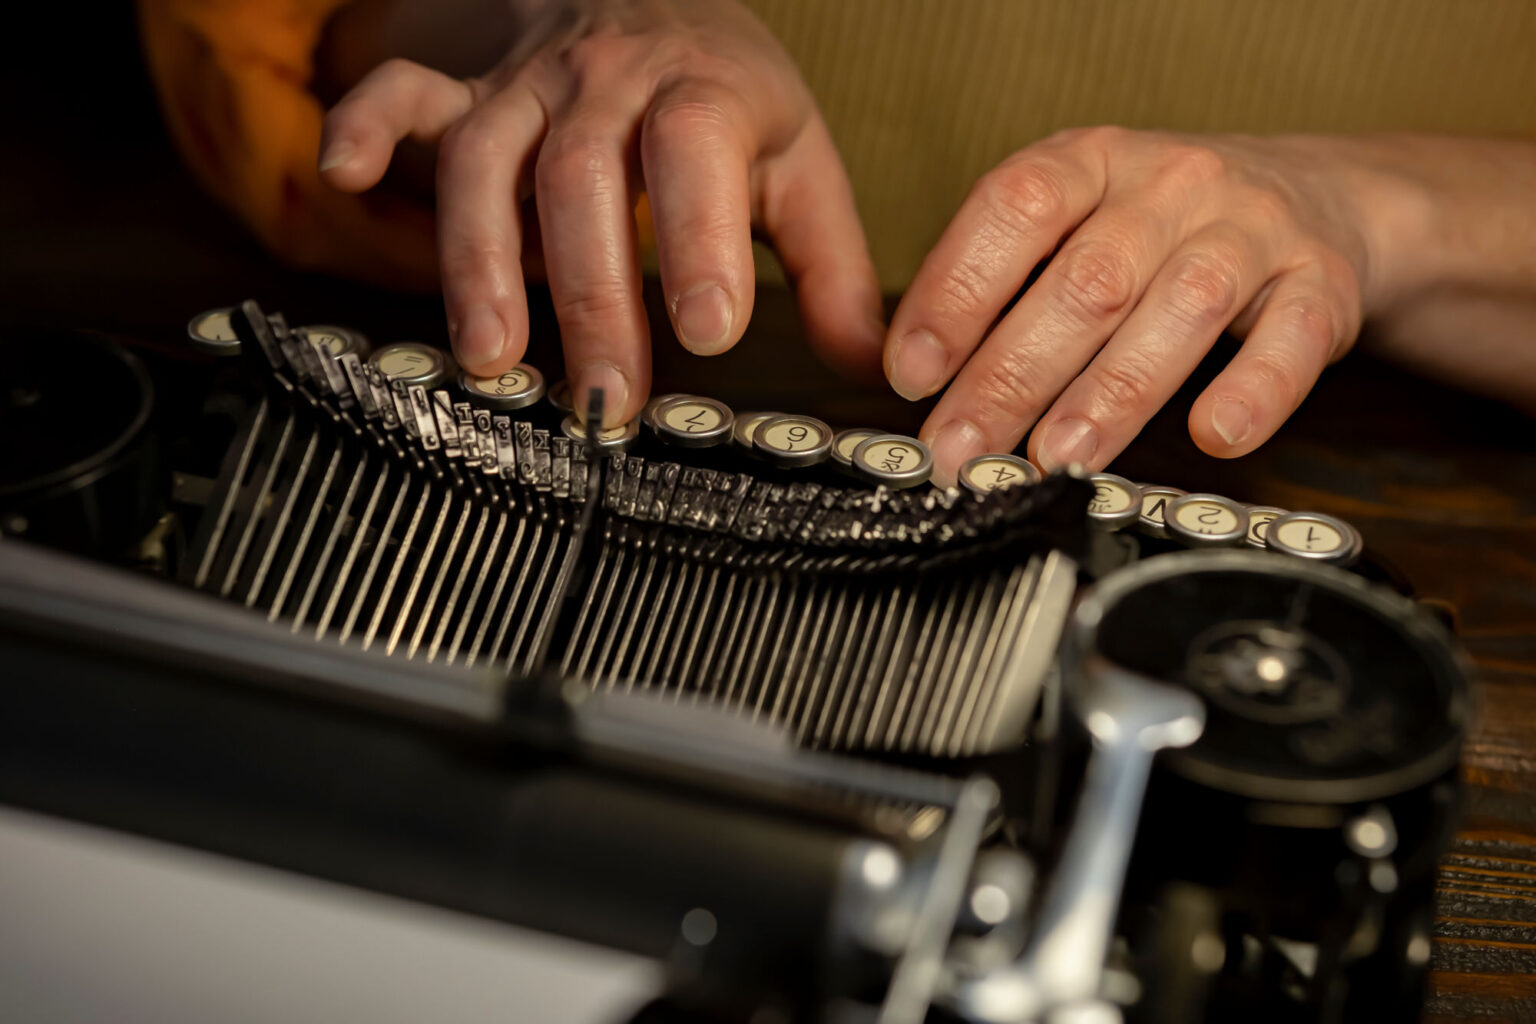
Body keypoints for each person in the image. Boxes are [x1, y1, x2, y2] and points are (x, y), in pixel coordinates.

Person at [139, 0, 1536, 485]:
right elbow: (300, 33)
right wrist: (546, 32)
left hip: (1375, 466)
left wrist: (1378, 207)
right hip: (546, 381)